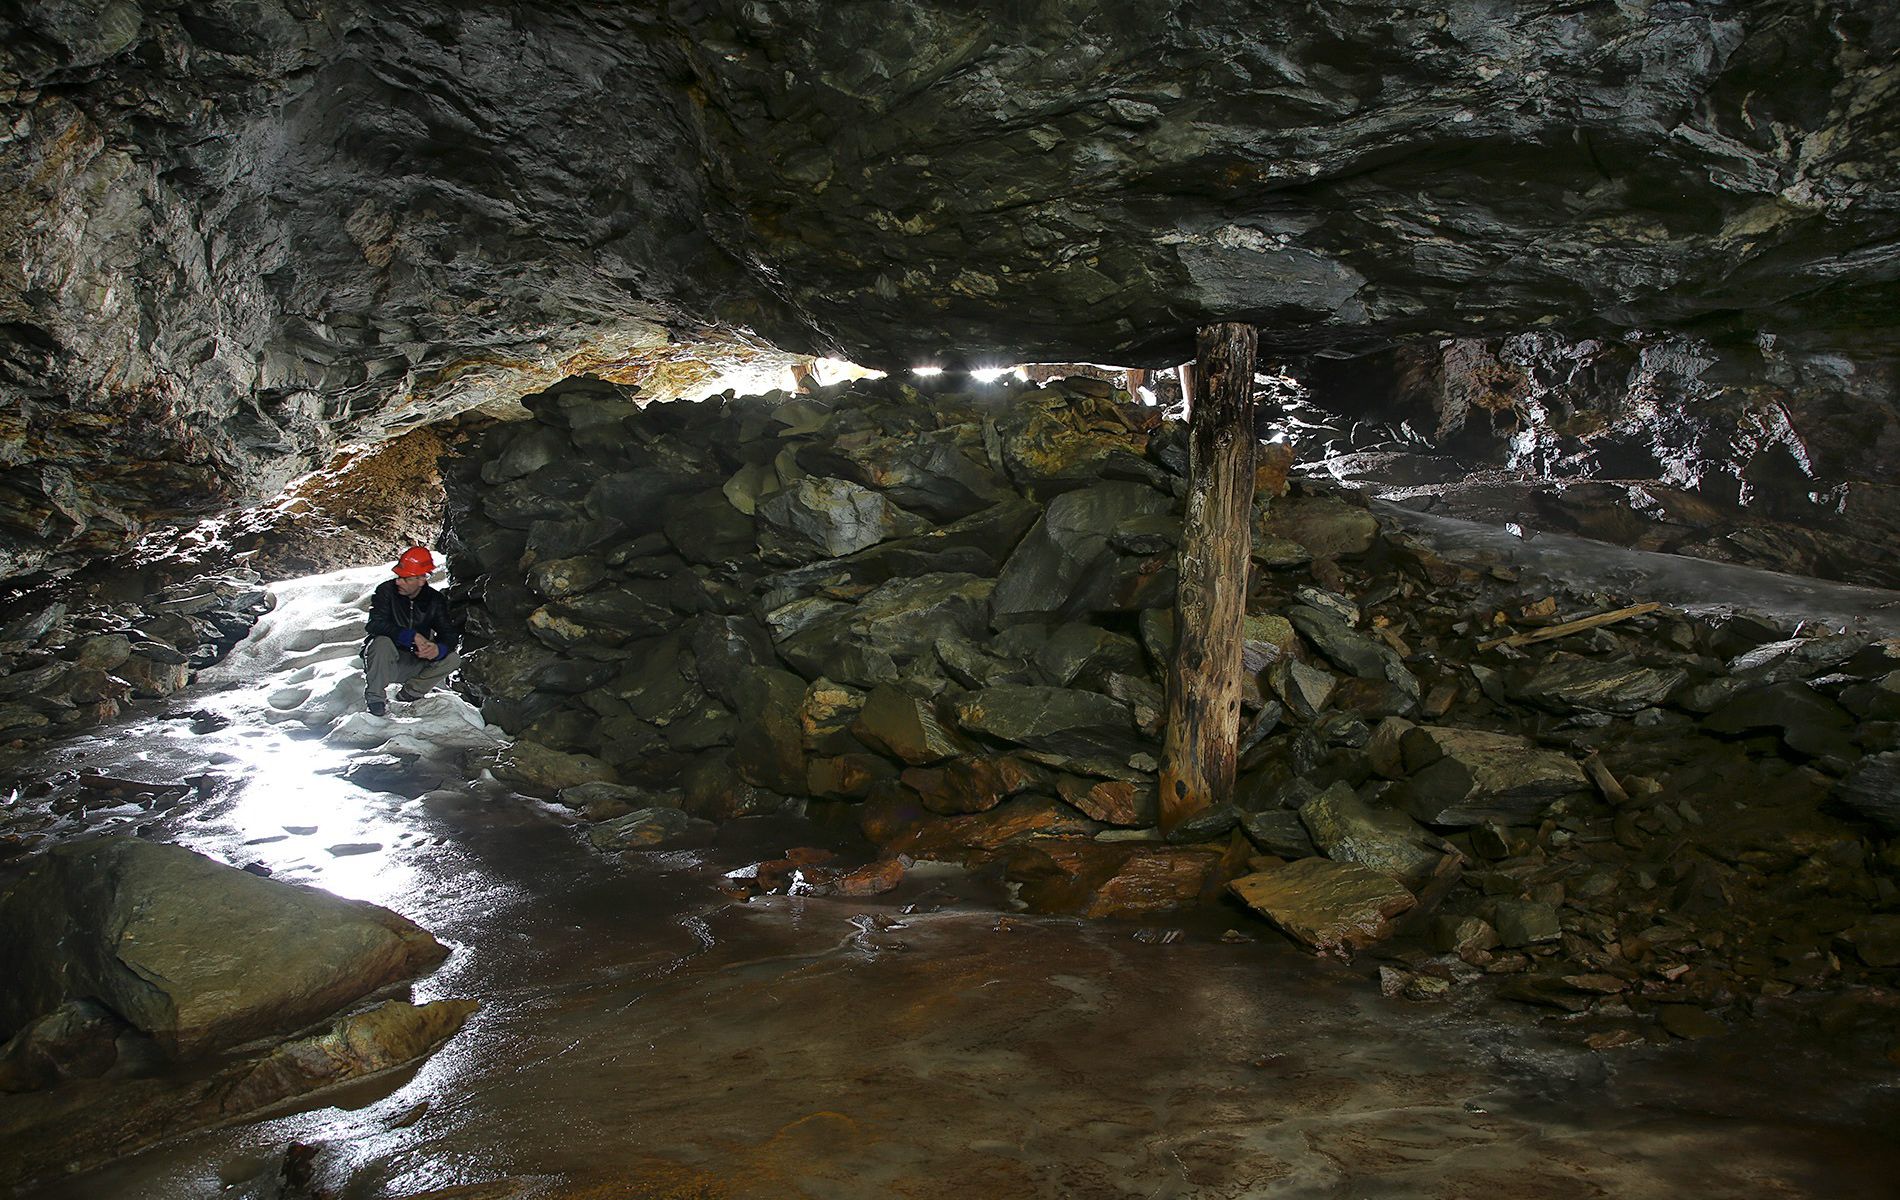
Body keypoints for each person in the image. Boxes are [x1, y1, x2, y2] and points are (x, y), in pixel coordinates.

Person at [363, 546, 460, 716]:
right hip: (386, 661)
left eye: (405, 579)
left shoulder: (435, 600)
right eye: (399, 577)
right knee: (381, 642)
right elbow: (374, 625)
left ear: (421, 580)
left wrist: (438, 649)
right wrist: (409, 636)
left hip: (416, 662)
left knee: (453, 659)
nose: (399, 582)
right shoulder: (386, 592)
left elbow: (450, 634)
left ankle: (411, 692)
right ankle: (375, 700)